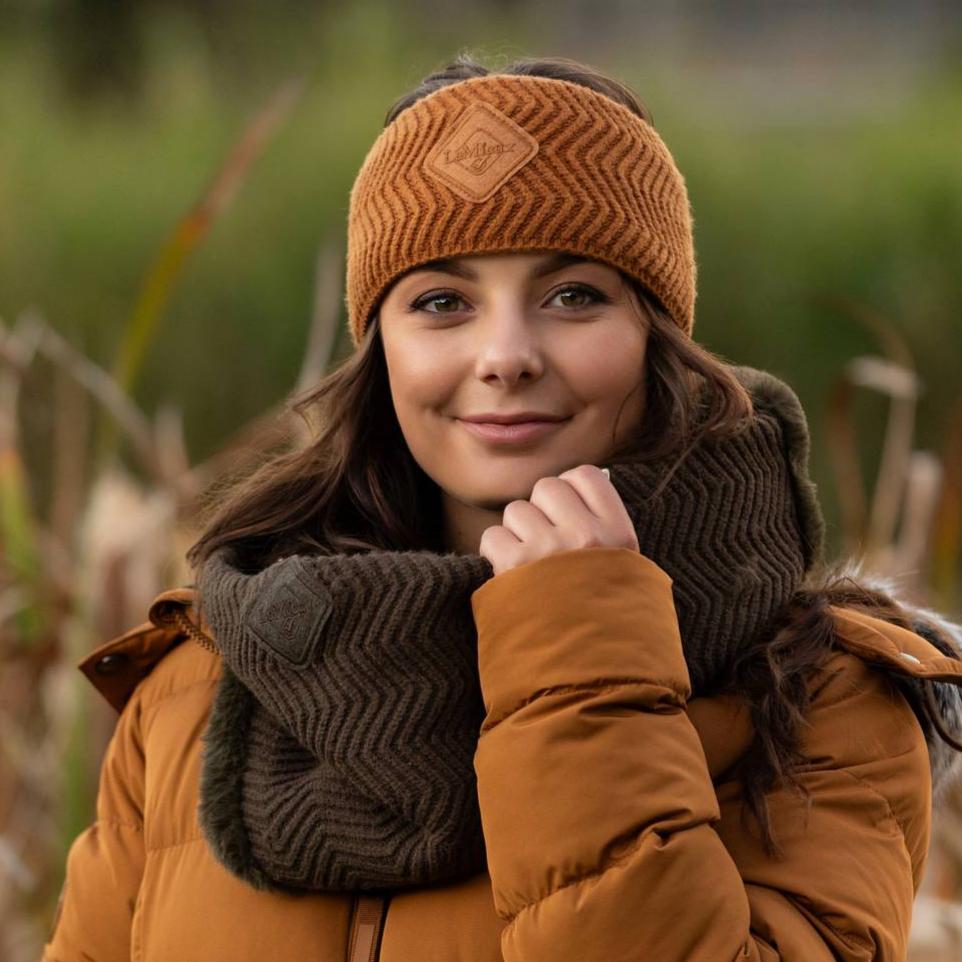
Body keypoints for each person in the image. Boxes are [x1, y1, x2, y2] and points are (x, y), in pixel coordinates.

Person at [44, 54, 962, 962]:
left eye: (574, 295)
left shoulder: (825, 700)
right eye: (442, 301)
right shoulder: (197, 690)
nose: (506, 354)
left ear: (658, 337)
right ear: (383, 353)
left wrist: (582, 650)